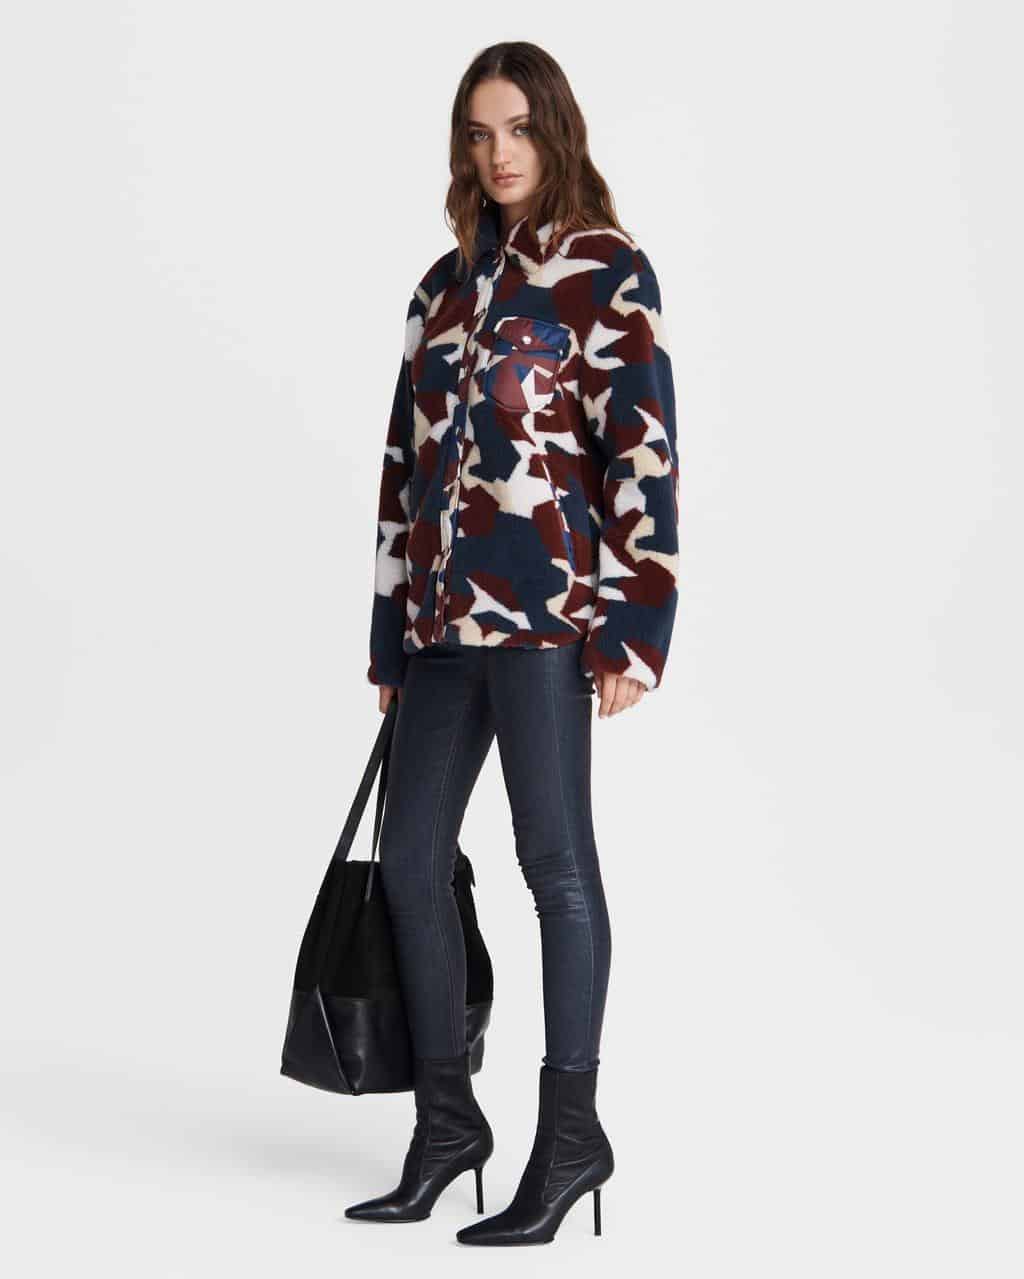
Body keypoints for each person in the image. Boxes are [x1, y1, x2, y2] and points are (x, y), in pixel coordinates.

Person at [345, 40, 680, 1246]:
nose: (498, 154)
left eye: (518, 130)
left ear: (554, 131)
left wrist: (633, 626)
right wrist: (388, 641)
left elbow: (641, 453)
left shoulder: (604, 269)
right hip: (440, 625)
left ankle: (571, 1136)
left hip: (547, 622)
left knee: (556, 869)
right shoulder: (438, 290)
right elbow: (402, 471)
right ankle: (447, 1124)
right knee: (408, 863)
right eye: (479, 134)